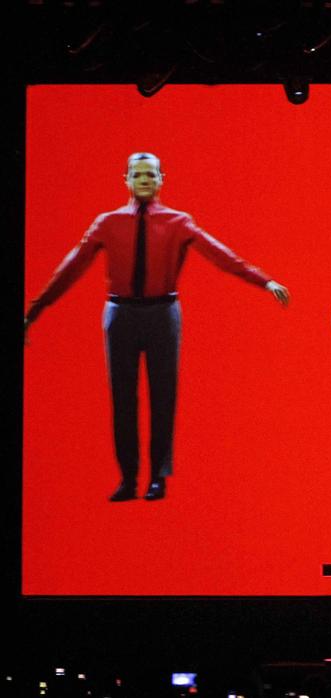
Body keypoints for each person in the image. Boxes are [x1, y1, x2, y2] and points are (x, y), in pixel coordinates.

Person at [23, 152, 290, 502]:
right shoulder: (107, 223)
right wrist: (36, 309)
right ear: (127, 179)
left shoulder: (179, 222)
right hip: (120, 313)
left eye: (151, 175)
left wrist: (264, 281)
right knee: (123, 398)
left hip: (163, 313)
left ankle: (158, 477)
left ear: (162, 179)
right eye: (138, 175)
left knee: (164, 396)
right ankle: (129, 478)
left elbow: (221, 255)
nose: (145, 180)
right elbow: (71, 267)